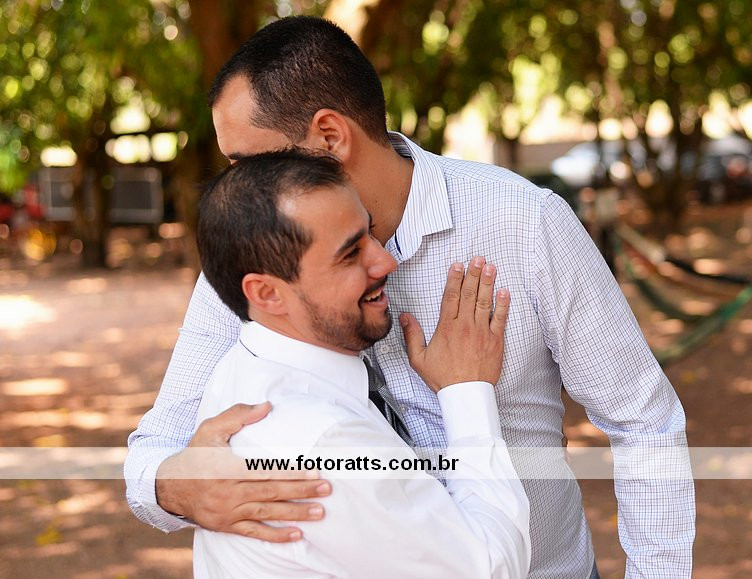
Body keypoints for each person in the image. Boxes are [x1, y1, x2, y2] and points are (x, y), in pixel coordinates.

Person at [126, 16, 695, 578]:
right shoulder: (258, 256)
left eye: (251, 162)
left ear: (330, 137)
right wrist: (179, 487)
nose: (238, 185)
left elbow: (642, 420)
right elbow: (155, 448)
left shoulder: (525, 222)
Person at [189, 149, 530, 578]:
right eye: (350, 254)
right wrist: (467, 391)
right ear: (268, 293)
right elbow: (489, 569)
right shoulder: (324, 442)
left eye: (370, 232)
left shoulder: (239, 372)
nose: (386, 261)